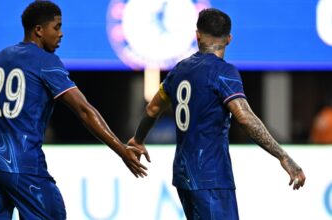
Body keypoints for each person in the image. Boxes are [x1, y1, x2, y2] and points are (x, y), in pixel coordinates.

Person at [0, 1, 148, 219]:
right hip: (24, 165)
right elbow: (83, 110)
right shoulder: (45, 61)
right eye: (57, 27)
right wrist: (121, 150)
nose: (61, 34)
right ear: (38, 30)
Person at [128, 8, 306, 220]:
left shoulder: (179, 70)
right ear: (229, 39)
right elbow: (244, 118)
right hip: (211, 176)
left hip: (183, 175)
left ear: (197, 35)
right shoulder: (224, 72)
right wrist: (283, 156)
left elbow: (153, 108)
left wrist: (138, 139)